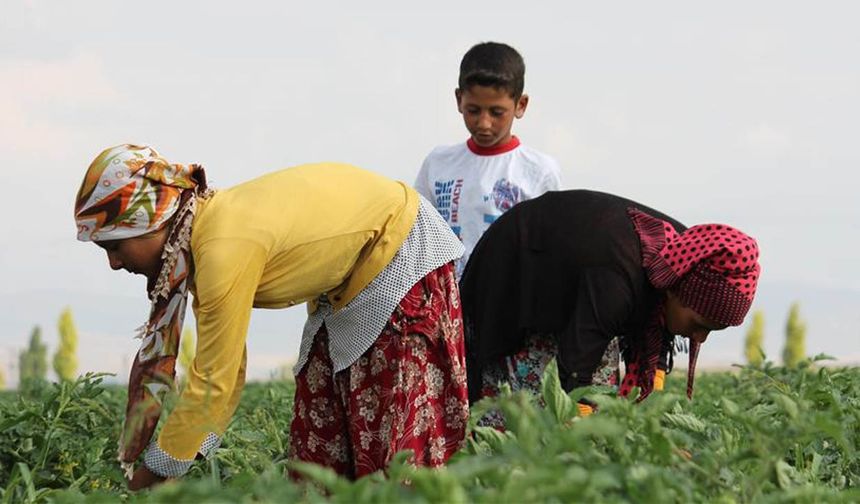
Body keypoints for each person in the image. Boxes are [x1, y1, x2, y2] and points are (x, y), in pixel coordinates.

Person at [73, 144, 469, 489]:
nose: (113, 263)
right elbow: (224, 372)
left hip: (399, 255)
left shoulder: (221, 248)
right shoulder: (202, 238)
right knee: (321, 438)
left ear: (150, 223)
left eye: (115, 245)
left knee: (392, 448)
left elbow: (216, 377)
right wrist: (172, 463)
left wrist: (152, 476)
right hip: (346, 280)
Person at [459, 190, 761, 418]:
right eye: (699, 325)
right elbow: (576, 369)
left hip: (579, 285)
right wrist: (578, 427)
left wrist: (652, 418)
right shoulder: (618, 280)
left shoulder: (683, 259)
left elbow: (653, 346)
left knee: (602, 401)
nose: (699, 338)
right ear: (676, 292)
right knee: (526, 414)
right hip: (518, 273)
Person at [414, 41, 562, 279]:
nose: (484, 123)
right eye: (473, 110)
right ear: (459, 100)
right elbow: (418, 238)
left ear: (520, 105)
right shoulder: (438, 163)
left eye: (496, 112)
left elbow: (550, 249)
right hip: (448, 305)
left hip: (510, 304)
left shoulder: (539, 171)